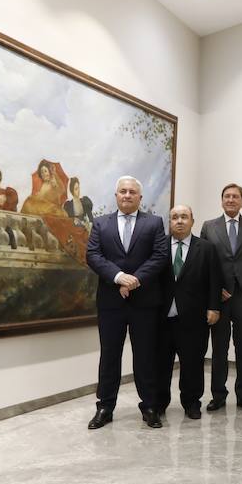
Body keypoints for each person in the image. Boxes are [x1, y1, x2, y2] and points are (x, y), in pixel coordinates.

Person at [84, 176, 169, 429]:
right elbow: (93, 255)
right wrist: (119, 277)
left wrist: (134, 281)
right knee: (110, 356)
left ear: (140, 198)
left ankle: (150, 407)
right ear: (116, 196)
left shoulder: (154, 223)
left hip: (144, 302)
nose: (127, 195)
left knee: (145, 356)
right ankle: (105, 408)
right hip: (111, 302)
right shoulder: (101, 224)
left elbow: (160, 255)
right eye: (123, 191)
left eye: (132, 192)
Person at [200, 184, 242, 411]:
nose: (231, 199)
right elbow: (201, 263)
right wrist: (213, 289)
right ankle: (218, 396)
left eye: (235, 196)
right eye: (227, 196)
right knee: (219, 349)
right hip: (219, 298)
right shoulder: (209, 227)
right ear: (221, 200)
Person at [155, 205, 222, 420]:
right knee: (160, 363)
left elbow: (214, 281)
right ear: (170, 222)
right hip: (161, 317)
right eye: (175, 217)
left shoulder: (206, 248)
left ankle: (191, 402)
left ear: (193, 221)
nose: (179, 221)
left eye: (184, 217)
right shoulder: (158, 246)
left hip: (194, 317)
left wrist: (214, 307)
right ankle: (159, 402)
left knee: (192, 363)